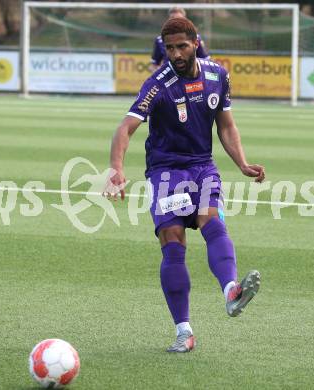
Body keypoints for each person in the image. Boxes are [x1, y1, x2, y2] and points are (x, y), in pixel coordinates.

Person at [109, 17, 265, 353]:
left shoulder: (217, 75)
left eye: (181, 46)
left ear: (196, 43)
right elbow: (125, 129)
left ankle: (231, 292)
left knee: (213, 220)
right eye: (169, 48)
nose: (175, 54)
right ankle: (184, 331)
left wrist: (242, 162)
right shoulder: (157, 84)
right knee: (173, 241)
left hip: (202, 167)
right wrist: (116, 169)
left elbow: (226, 126)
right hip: (166, 171)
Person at [150, 7, 210, 72]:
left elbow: (206, 62)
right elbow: (154, 65)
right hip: (169, 78)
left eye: (179, 19)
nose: (176, 22)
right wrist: (159, 72)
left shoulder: (195, 38)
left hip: (189, 77)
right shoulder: (160, 40)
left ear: (185, 20)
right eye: (173, 19)